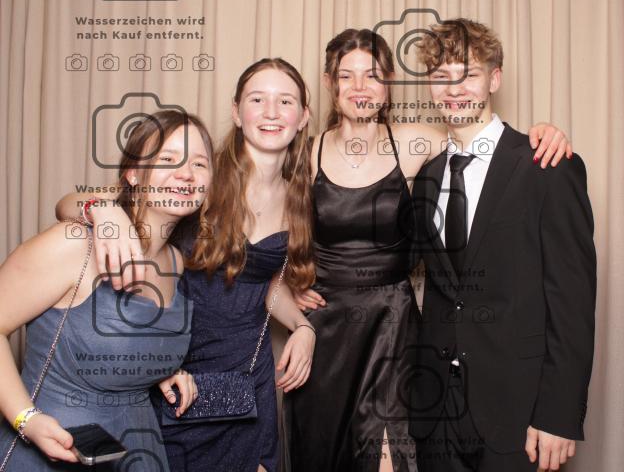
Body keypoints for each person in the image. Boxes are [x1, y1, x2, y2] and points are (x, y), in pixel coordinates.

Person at [287, 28, 572, 472]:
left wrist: (545, 134)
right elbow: (265, 238)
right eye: (346, 75)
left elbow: (487, 146)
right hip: (326, 333)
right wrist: (290, 289)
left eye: (373, 75)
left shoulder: (418, 143)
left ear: (390, 83)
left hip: (393, 329)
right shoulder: (305, 154)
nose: (360, 87)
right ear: (329, 82)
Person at [55, 58, 318, 472]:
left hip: (247, 377)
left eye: (285, 101)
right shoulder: (196, 176)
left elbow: (264, 282)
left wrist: (303, 327)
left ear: (303, 117)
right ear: (236, 111)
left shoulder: (299, 196)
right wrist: (104, 212)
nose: (271, 112)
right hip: (176, 375)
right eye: (257, 99)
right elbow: (72, 204)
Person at [408, 18, 597, 472]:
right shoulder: (427, 175)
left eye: (468, 74)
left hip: (519, 409)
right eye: (441, 76)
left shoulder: (546, 164)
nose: (454, 89)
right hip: (436, 411)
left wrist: (558, 414)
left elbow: (572, 302)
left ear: (494, 79)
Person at [0, 110, 212, 470]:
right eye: (167, 159)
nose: (186, 173)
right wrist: (26, 419)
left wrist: (158, 365)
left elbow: (122, 342)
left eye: (200, 163)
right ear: (133, 174)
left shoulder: (176, 262)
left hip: (139, 450)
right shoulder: (75, 244)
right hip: (54, 449)